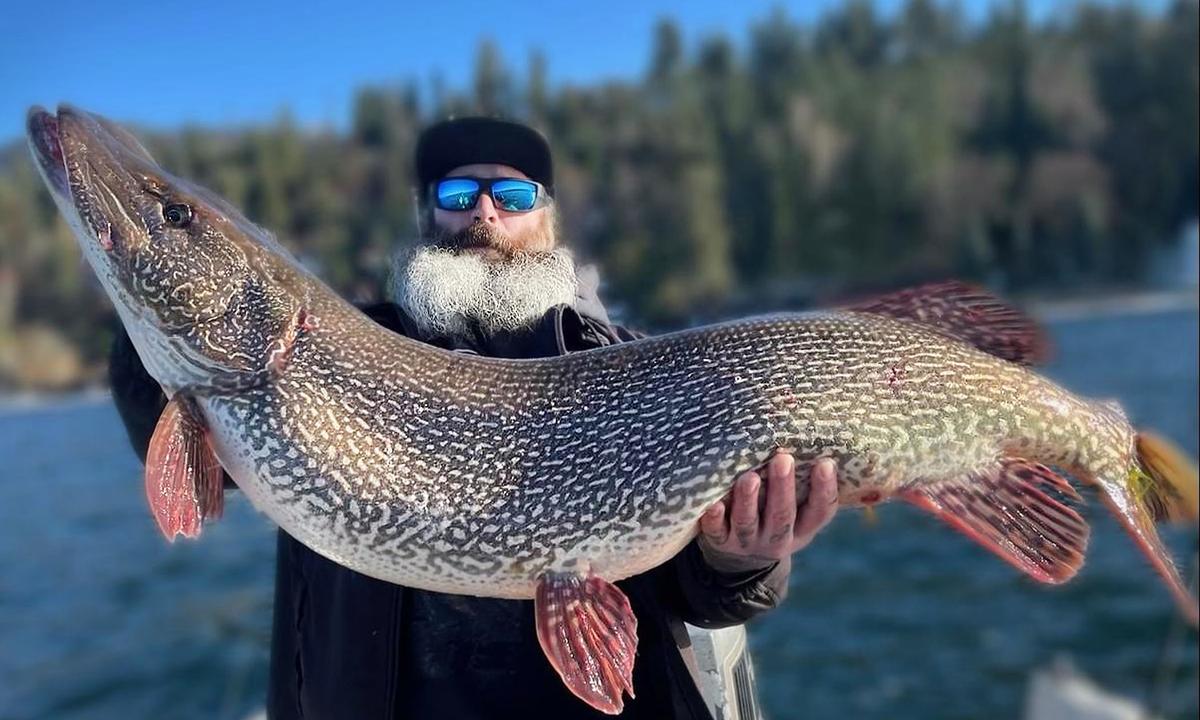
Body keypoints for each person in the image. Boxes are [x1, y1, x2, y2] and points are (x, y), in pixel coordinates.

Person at [109, 116, 841, 719]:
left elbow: (704, 593)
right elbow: (173, 437)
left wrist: (746, 555)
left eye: (512, 196)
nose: (484, 212)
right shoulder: (339, 345)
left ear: (546, 220)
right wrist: (140, 292)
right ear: (428, 215)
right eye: (459, 192)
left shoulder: (635, 363)